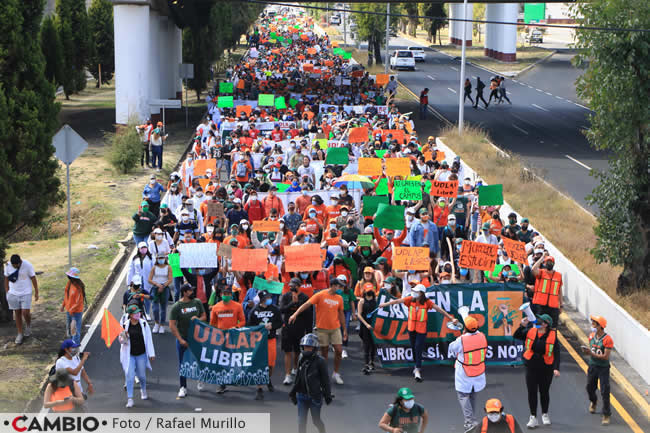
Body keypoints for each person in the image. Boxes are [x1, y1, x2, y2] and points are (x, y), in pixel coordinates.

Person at [379, 284, 458, 381]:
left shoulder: (427, 302)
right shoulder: (410, 299)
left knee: (418, 347)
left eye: (417, 291)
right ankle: (417, 365)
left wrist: (451, 318)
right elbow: (397, 301)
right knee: (414, 348)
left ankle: (417, 368)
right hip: (411, 329)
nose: (414, 293)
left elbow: (439, 309)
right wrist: (384, 304)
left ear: (421, 293)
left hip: (421, 330)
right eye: (414, 291)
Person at [289, 277, 347, 385]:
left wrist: (344, 329)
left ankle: (336, 373)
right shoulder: (320, 294)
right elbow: (307, 304)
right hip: (322, 328)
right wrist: (295, 314)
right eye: (339, 286)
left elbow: (341, 313)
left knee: (338, 350)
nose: (341, 288)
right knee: (324, 352)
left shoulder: (339, 298)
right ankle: (323, 373)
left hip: (335, 328)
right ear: (333, 286)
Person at [513, 314, 560, 428]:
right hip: (531, 366)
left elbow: (557, 353)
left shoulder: (553, 336)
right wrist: (522, 325)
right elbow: (517, 335)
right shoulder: (531, 331)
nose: (538, 322)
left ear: (546, 324)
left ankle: (545, 414)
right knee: (532, 392)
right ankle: (533, 417)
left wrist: (556, 368)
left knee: (544, 392)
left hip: (546, 368)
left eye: (540, 321)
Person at [448, 316, 488, 432]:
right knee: (472, 395)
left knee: (463, 396)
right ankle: (472, 420)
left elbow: (452, 348)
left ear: (465, 328)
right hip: (478, 371)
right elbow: (474, 331)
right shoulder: (482, 336)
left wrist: (462, 334)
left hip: (465, 373)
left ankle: (469, 422)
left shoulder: (461, 340)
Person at [289, 333, 333, 433]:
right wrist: (293, 393)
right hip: (301, 396)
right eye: (305, 347)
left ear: (314, 348)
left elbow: (325, 380)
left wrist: (327, 395)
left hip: (315, 397)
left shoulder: (321, 361)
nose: (307, 349)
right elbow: (298, 377)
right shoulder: (301, 358)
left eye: (309, 347)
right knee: (301, 422)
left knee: (316, 421)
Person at [169, 284, 206, 398]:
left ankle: (200, 379)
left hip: (197, 338)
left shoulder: (197, 302)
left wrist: (198, 319)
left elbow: (204, 316)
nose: (192, 292)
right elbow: (172, 325)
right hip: (183, 338)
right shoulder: (177, 306)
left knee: (199, 360)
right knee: (182, 364)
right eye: (190, 291)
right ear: (184, 292)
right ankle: (183, 387)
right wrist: (180, 339)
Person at [210, 285, 246, 393]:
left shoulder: (238, 306)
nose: (227, 296)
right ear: (221, 295)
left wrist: (236, 327)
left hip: (234, 337)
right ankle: (222, 383)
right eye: (224, 294)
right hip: (221, 338)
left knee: (235, 359)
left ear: (231, 295)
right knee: (222, 360)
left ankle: (235, 378)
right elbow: (212, 324)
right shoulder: (215, 307)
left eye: (229, 294)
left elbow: (243, 321)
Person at [247, 290, 283, 400]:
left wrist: (273, 326)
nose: (269, 299)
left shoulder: (275, 309)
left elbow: (280, 322)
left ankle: (267, 379)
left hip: (271, 340)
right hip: (259, 341)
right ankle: (259, 389)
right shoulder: (254, 311)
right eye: (267, 297)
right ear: (262, 299)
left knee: (271, 365)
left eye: (269, 297)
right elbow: (250, 325)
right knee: (259, 364)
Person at [118, 304, 155, 408]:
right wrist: (124, 336)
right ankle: (130, 398)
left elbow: (149, 339)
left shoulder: (144, 324)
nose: (138, 314)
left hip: (141, 354)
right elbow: (121, 341)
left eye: (138, 312)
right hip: (129, 355)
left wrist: (151, 353)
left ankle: (143, 389)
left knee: (142, 375)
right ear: (130, 315)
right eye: (135, 313)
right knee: (129, 375)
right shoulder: (125, 325)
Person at [582, 315, 613, 426]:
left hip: (603, 368)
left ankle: (606, 414)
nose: (592, 325)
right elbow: (592, 350)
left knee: (605, 390)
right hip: (592, 366)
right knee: (589, 387)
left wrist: (591, 354)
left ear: (600, 326)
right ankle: (594, 401)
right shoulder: (591, 336)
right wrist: (588, 351)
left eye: (594, 323)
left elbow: (605, 356)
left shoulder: (607, 340)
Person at [280, 278, 312, 385]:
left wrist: (309, 332)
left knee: (298, 351)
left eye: (294, 285)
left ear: (299, 286)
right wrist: (291, 303)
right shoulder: (285, 296)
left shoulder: (305, 298)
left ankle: (295, 367)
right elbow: (282, 309)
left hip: (299, 328)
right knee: (288, 351)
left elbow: (308, 314)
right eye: (290, 286)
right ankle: (287, 375)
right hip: (287, 328)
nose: (292, 287)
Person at [3, 254, 38, 344]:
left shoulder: (27, 265)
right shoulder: (8, 266)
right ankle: (20, 333)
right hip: (13, 293)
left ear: (20, 262)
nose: (15, 267)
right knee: (17, 313)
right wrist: (7, 291)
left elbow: (33, 278)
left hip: (26, 292)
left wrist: (36, 292)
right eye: (14, 265)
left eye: (17, 265)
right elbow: (6, 278)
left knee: (25, 312)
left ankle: (28, 325)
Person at [531, 254, 562, 329]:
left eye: (551, 262)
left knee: (553, 327)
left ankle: (551, 339)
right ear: (544, 263)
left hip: (553, 305)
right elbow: (533, 269)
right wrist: (542, 258)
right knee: (539, 324)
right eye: (547, 262)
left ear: (553, 264)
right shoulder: (541, 273)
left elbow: (559, 291)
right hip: (541, 305)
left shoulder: (558, 275)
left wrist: (561, 304)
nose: (549, 264)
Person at [60, 267, 86, 345]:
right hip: (69, 311)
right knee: (70, 330)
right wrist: (63, 305)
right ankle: (71, 345)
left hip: (76, 312)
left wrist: (72, 310)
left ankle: (75, 348)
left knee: (75, 331)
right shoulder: (69, 284)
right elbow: (66, 296)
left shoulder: (78, 288)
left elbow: (78, 301)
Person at [148, 253, 172, 334]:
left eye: (162, 258)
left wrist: (163, 286)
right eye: (159, 258)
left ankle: (162, 324)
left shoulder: (168, 267)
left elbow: (170, 279)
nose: (161, 259)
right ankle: (156, 323)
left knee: (163, 308)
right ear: (157, 259)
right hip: (155, 289)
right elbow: (149, 279)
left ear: (165, 258)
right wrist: (157, 284)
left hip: (165, 289)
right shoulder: (154, 268)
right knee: (155, 308)